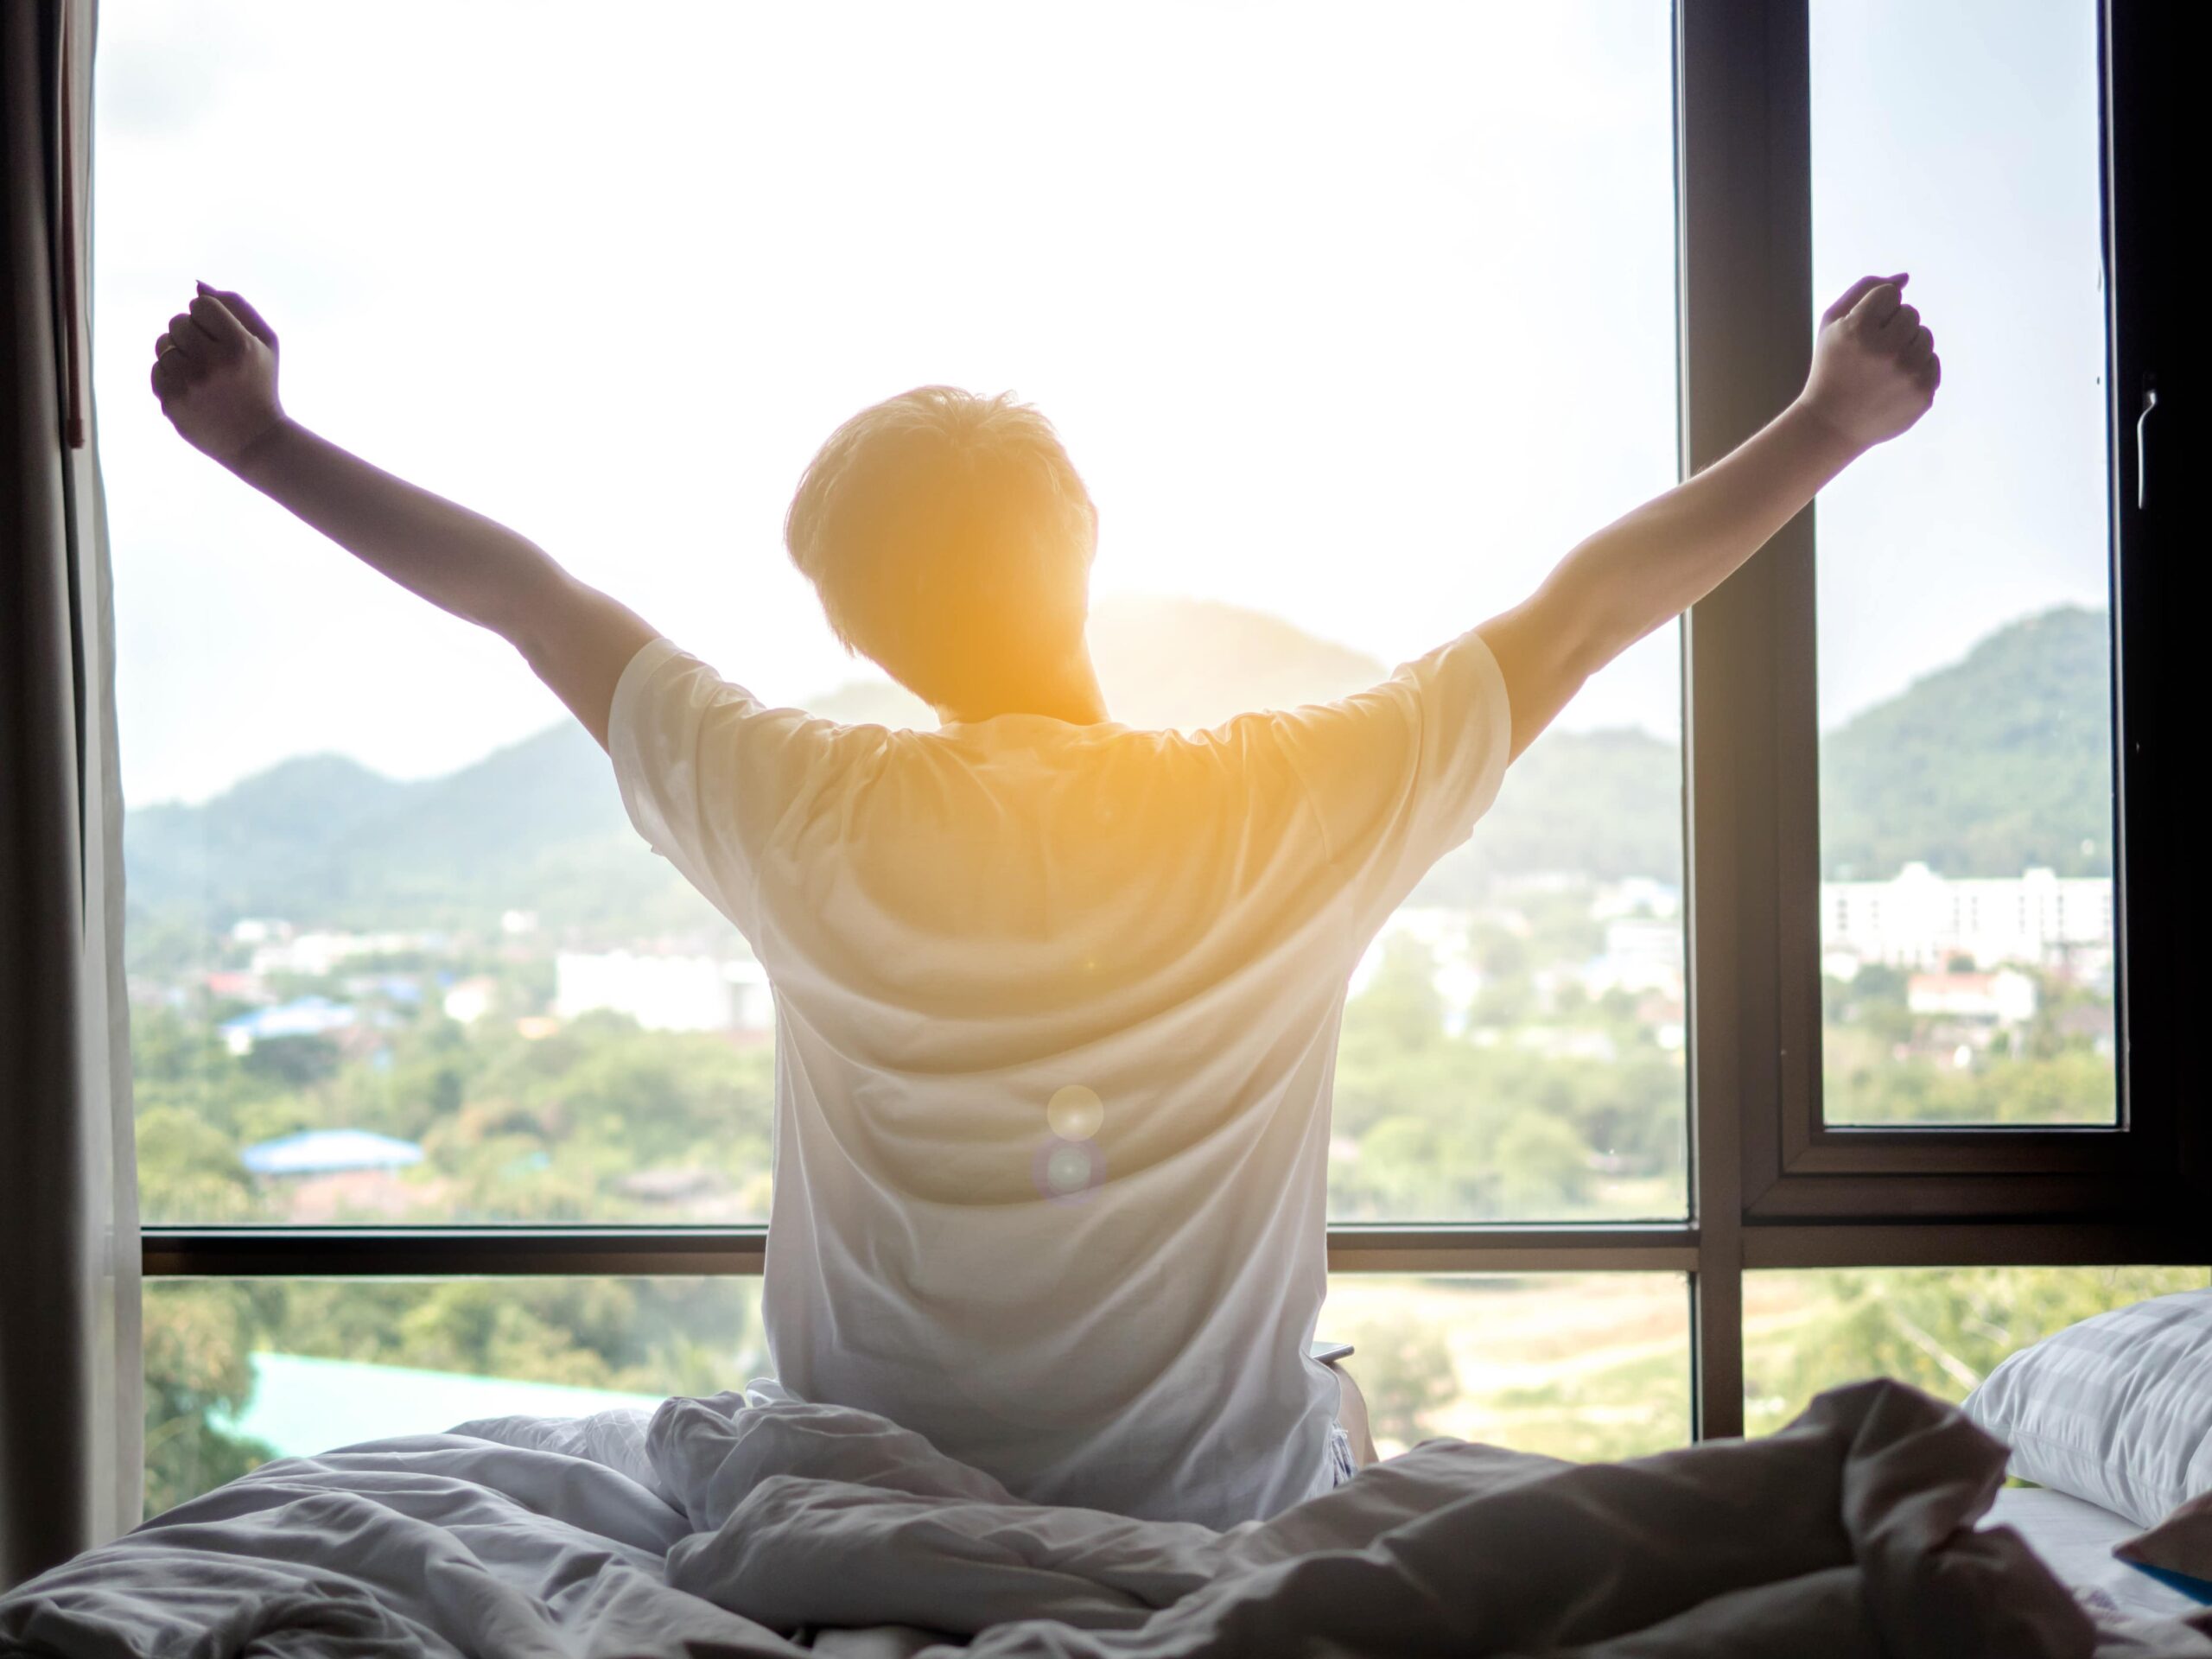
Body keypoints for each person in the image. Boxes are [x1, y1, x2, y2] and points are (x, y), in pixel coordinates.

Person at [149, 272, 1937, 1529]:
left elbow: (531, 596)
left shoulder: (796, 802)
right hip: (1206, 1511)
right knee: (1360, 1421)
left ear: (853, 629)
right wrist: (1823, 422)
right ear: (1083, 544)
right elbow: (1583, 611)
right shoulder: (1280, 800)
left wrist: (262, 445)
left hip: (840, 1497)